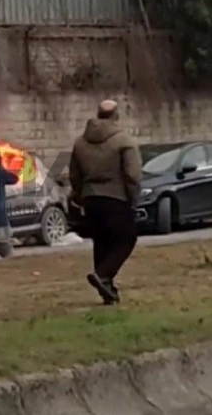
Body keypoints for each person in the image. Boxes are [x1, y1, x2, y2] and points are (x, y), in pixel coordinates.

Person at [69, 99, 142, 305]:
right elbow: (133, 175)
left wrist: (78, 195)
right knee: (126, 239)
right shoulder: (124, 141)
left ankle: (107, 290)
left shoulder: (80, 143)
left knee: (101, 242)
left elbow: (74, 175)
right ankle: (103, 276)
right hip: (116, 197)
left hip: (91, 199)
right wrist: (133, 199)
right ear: (116, 116)